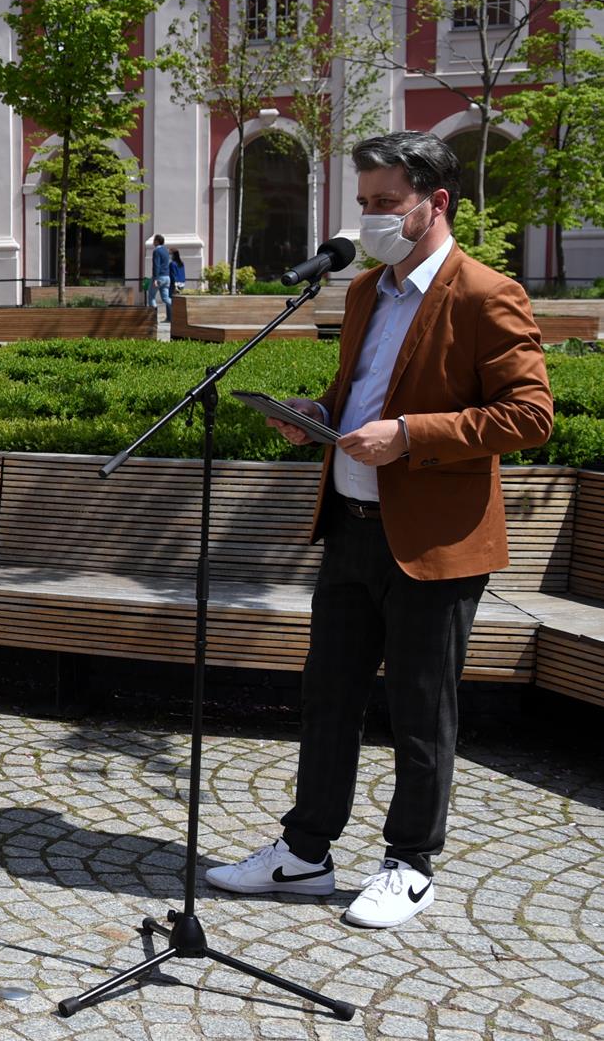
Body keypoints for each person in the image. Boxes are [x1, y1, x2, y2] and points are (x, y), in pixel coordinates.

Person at [207, 131, 552, 929]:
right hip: (351, 523)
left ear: (434, 203)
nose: (368, 219)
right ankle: (303, 853)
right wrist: (317, 416)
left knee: (419, 708)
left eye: (383, 204)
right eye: (362, 204)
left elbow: (529, 416)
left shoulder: (484, 293)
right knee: (325, 696)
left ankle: (408, 863)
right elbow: (356, 392)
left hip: (434, 539)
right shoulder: (363, 292)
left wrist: (408, 436)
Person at [148, 234, 173, 321]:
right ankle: (178, 309)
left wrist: (155, 278)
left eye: (154, 240)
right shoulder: (166, 251)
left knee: (151, 296)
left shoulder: (156, 251)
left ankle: (153, 319)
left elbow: (156, 265)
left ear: (157, 241)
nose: (153, 242)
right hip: (167, 277)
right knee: (166, 298)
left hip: (159, 277)